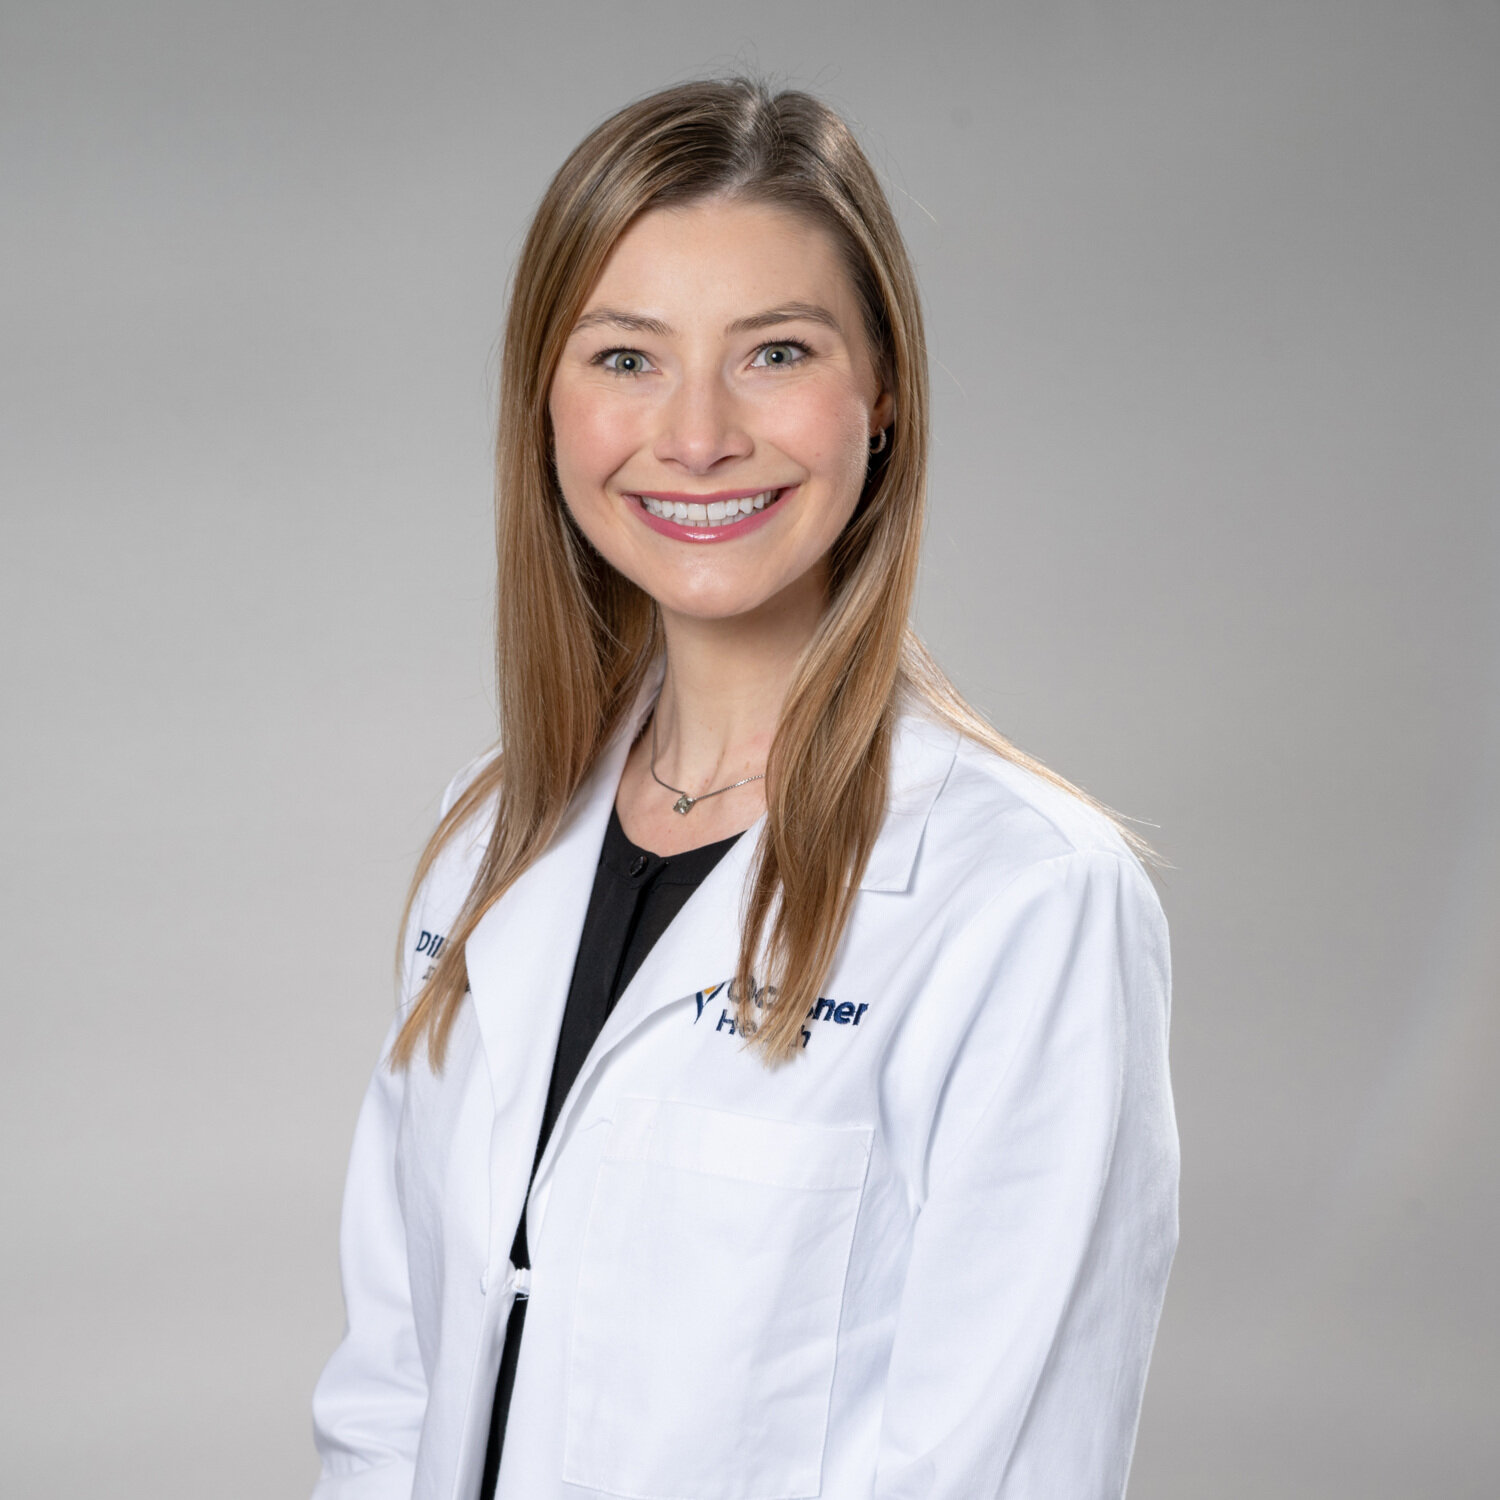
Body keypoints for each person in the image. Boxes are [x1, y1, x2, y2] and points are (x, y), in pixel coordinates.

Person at [310, 77, 1179, 1500]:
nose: (699, 434)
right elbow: (390, 1392)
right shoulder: (487, 837)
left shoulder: (1027, 899)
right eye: (627, 357)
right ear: (545, 403)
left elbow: (1007, 1467)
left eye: (776, 352)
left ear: (882, 397)